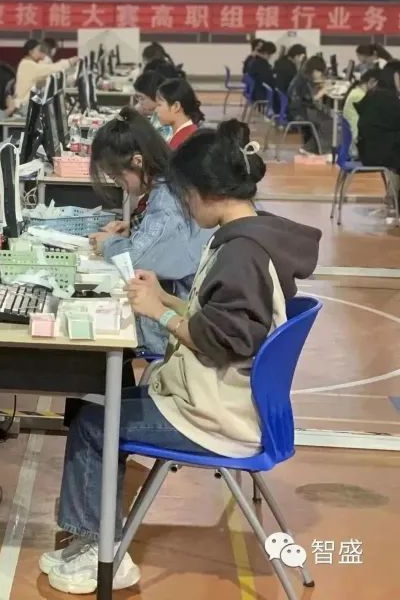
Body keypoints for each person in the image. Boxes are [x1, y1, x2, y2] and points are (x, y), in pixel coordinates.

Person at [45, 119, 320, 595]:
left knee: (93, 422)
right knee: (100, 402)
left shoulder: (241, 254)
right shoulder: (250, 236)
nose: (185, 208)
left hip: (218, 415)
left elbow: (224, 339)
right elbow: (221, 318)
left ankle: (101, 553)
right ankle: (92, 538)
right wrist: (167, 299)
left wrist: (161, 314)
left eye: (186, 196)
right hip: (224, 400)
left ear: (204, 193)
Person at [86, 107, 210, 355]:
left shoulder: (167, 201)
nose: (120, 186)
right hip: (188, 304)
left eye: (117, 177)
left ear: (137, 161)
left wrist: (108, 243)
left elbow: (135, 259)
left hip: (181, 320)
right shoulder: (171, 180)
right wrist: (135, 227)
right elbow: (162, 238)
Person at [355, 63, 400, 173]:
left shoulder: (374, 95)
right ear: (395, 77)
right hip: (381, 155)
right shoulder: (389, 100)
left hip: (368, 152)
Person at [287, 55, 332, 155]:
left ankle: (312, 147)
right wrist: (322, 92)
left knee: (325, 117)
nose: (321, 75)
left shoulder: (302, 77)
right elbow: (311, 100)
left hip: (298, 109)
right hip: (300, 113)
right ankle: (316, 149)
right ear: (315, 70)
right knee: (328, 122)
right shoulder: (302, 81)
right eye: (321, 72)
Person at [14, 38, 77, 106]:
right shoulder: (28, 65)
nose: (41, 52)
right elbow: (50, 69)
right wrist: (69, 62)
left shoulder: (27, 64)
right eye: (39, 50)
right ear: (31, 52)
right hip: (24, 105)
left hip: (26, 103)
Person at [155, 78, 205, 150]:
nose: (156, 110)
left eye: (159, 105)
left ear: (176, 106)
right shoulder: (186, 134)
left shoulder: (185, 141)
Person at [341, 69, 376, 151]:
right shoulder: (360, 96)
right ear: (371, 82)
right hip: (357, 139)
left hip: (353, 136)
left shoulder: (356, 91)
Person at [132, 70, 171, 142]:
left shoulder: (166, 121)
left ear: (155, 96)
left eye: (142, 98)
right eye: (138, 97)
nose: (140, 103)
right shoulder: (156, 113)